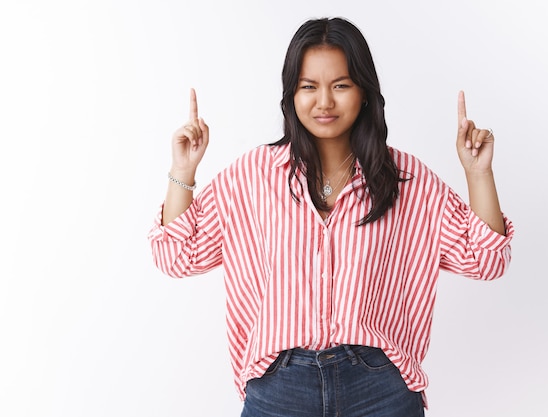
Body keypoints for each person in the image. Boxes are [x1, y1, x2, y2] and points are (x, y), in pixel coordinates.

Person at [148, 16, 514, 417]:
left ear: (364, 92)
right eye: (309, 87)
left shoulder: (406, 180)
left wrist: (478, 174)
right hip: (279, 387)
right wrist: (183, 171)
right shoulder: (252, 176)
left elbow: (487, 260)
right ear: (291, 95)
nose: (324, 102)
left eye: (340, 85)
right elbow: (176, 258)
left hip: (380, 390)